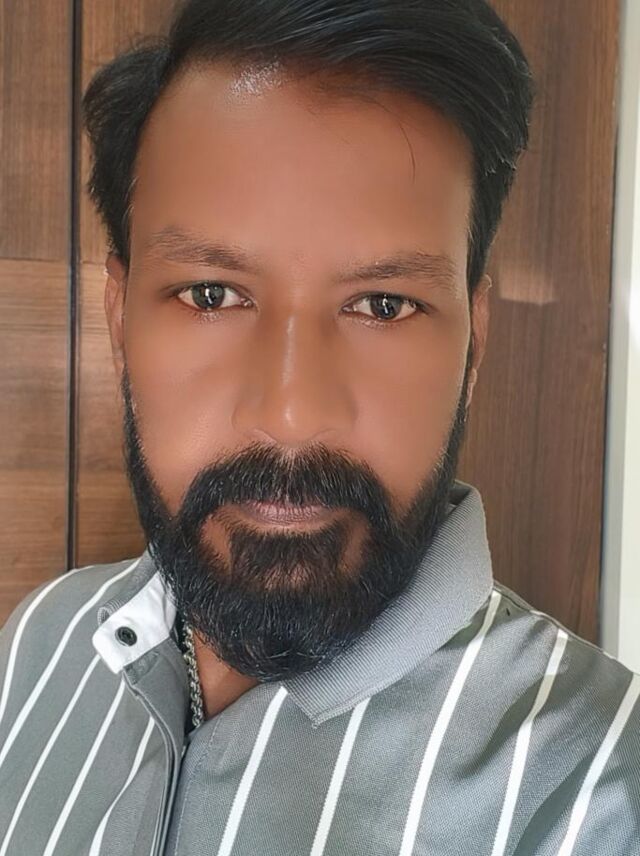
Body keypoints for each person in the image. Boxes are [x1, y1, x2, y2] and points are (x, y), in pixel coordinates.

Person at [1, 0, 638, 853]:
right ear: (119, 322)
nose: (291, 414)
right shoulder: (37, 645)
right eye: (211, 295)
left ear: (474, 344)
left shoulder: (598, 787)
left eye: (384, 304)